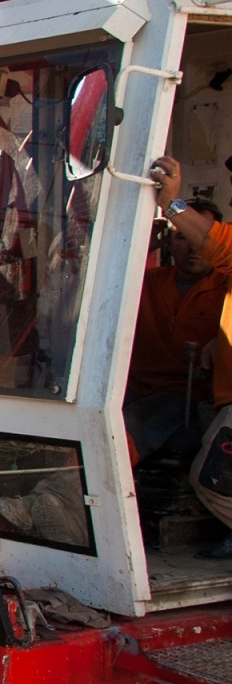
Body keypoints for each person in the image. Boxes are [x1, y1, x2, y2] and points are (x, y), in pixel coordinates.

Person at [149, 159, 232, 552]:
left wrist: (172, 204)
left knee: (213, 480)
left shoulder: (222, 257)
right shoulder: (152, 285)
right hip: (214, 397)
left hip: (201, 400)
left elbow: (218, 244)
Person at [124, 214, 227, 461]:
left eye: (201, 237)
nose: (194, 247)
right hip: (136, 384)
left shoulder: (227, 289)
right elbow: (104, 284)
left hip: (189, 392)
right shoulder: (147, 281)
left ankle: (59, 495)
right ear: (168, 240)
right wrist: (141, 246)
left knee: (130, 425)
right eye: (182, 236)